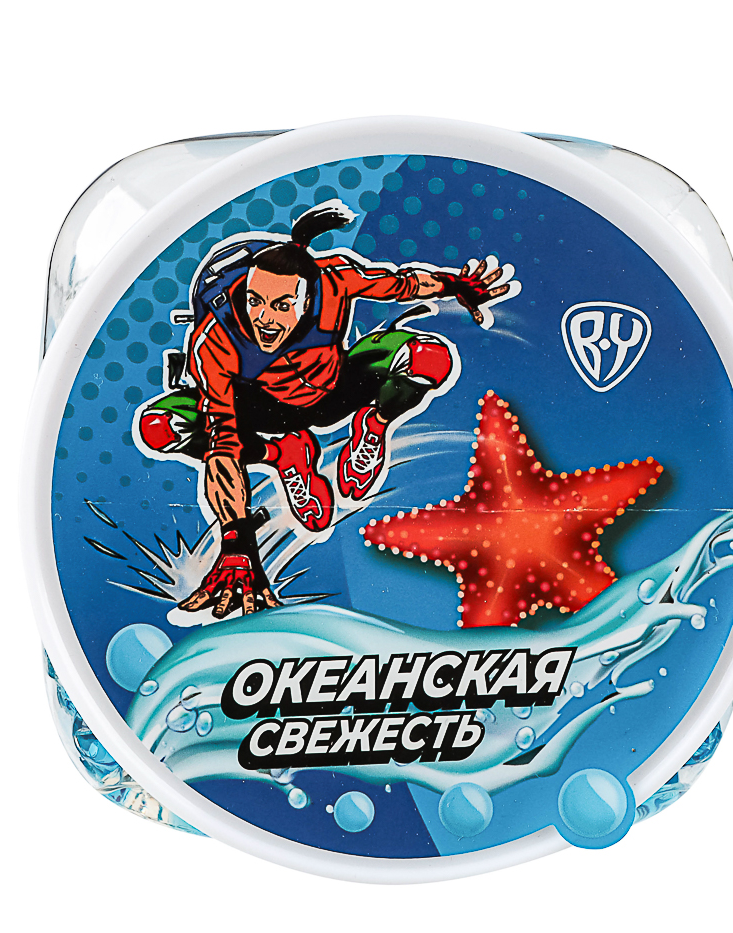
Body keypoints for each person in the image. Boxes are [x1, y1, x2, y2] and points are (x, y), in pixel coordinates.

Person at [139, 199, 514, 619]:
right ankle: (282, 454)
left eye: (281, 306)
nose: (264, 319)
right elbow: (223, 449)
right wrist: (237, 546)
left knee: (429, 357)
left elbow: (406, 284)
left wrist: (455, 285)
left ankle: (374, 427)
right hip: (263, 413)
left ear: (308, 296)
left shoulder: (336, 279)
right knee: (160, 426)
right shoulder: (216, 341)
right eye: (254, 300)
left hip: (336, 390)